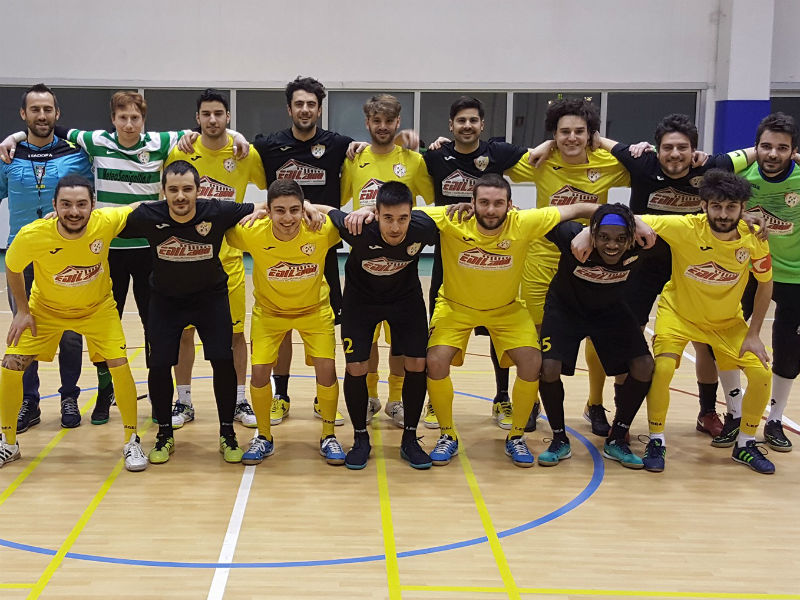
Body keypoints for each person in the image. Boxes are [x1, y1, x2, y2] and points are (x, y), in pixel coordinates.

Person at [420, 173, 603, 467]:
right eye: (484, 202)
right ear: (472, 203)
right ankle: (447, 434)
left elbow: (579, 207)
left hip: (505, 309)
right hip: (455, 307)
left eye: (498, 203)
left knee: (533, 361)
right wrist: (365, 211)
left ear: (510, 204)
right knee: (435, 360)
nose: (491, 210)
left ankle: (516, 436)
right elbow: (401, 211)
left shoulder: (524, 222)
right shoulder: (451, 217)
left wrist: (607, 225)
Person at [593, 114, 754, 439]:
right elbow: (599, 140)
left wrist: (793, 155)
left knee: (705, 342)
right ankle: (619, 414)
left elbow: (757, 152)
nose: (675, 154)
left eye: (683, 148)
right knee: (628, 337)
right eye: (668, 148)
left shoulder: (711, 167)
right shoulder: (642, 162)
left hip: (690, 267)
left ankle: (707, 412)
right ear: (657, 149)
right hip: (641, 266)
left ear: (695, 151)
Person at [117, 160, 262, 464]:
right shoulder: (149, 215)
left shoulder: (217, 211)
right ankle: (164, 435)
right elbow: (106, 221)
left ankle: (227, 433)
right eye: (173, 190)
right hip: (166, 301)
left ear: (198, 190)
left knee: (222, 361)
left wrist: (308, 208)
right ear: (163, 192)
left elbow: (263, 207)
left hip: (210, 299)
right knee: (159, 365)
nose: (180, 196)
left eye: (187, 189)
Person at [0, 175, 146, 471]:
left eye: (81, 204)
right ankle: (8, 443)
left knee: (119, 364)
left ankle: (132, 441)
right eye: (66, 204)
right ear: (54, 205)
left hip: (97, 309)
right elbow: (13, 267)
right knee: (10, 365)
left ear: (93, 205)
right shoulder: (33, 235)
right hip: (46, 310)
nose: (74, 211)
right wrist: (22, 311)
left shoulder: (105, 221)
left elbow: (139, 206)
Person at [639, 170, 775, 474]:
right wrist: (589, 228)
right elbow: (630, 218)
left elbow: (766, 284)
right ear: (703, 206)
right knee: (662, 369)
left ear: (743, 208)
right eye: (716, 206)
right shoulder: (685, 227)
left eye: (731, 207)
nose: (723, 214)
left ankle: (745, 444)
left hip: (726, 321)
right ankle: (657, 439)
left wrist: (754, 334)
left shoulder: (754, 238)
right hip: (678, 314)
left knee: (761, 373)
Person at [511, 98, 630, 437]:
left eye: (580, 131)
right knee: (536, 335)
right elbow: (489, 159)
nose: (572, 137)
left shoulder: (609, 162)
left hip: (591, 263)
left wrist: (606, 143)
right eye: (564, 132)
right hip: (542, 260)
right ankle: (531, 401)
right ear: (554, 134)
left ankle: (595, 403)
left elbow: (647, 163)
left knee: (596, 334)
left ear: (591, 134)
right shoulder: (541, 160)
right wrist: (544, 146)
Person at [423, 95, 532, 431]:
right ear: (450, 125)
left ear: (482, 125)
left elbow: (542, 155)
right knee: (440, 330)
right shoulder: (437, 155)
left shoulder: (496, 153)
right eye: (461, 121)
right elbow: (400, 162)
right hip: (452, 250)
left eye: (473, 120)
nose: (467, 126)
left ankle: (502, 396)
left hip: (494, 248)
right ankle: (434, 400)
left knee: (500, 332)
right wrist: (409, 139)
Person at [315, 181, 440, 469]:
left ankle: (410, 438)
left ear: (412, 215)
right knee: (356, 367)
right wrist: (308, 207)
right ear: (377, 214)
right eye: (388, 218)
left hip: (405, 300)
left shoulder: (422, 227)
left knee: (417, 364)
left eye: (403, 218)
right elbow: (327, 209)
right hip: (361, 302)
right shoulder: (358, 227)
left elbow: (447, 214)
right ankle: (360, 438)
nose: (395, 227)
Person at [225, 179, 345, 466]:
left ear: (303, 209)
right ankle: (264, 436)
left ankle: (328, 435)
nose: (288, 218)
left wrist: (312, 206)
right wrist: (254, 209)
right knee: (259, 373)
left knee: (326, 369)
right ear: (268, 210)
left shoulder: (321, 229)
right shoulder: (252, 231)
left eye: (294, 209)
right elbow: (221, 222)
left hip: (314, 310)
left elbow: (343, 216)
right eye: (279, 210)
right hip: (270, 313)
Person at [165, 89, 266, 430]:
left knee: (236, 335)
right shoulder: (182, 150)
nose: (212, 119)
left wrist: (240, 138)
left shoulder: (243, 153)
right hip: (185, 259)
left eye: (218, 113)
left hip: (228, 260)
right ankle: (184, 401)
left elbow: (270, 180)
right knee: (184, 335)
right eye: (206, 114)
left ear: (228, 117)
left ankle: (239, 399)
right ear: (197, 118)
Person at [0, 83, 98, 432]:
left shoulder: (77, 155)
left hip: (66, 257)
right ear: (23, 114)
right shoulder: (8, 157)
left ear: (57, 114)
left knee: (70, 332)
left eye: (47, 109)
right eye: (35, 109)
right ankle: (30, 401)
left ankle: (69, 396)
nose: (41, 115)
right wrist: (11, 140)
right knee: (25, 327)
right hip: (22, 259)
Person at [340, 94, 434, 429]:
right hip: (364, 264)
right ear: (367, 123)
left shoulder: (413, 160)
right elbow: (340, 200)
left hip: (401, 266)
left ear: (398, 122)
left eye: (389, 121)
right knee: (367, 341)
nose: (382, 127)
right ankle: (369, 396)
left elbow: (432, 202)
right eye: (376, 121)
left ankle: (396, 399)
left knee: (399, 343)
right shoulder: (354, 158)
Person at [536, 204, 653, 469]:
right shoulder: (571, 235)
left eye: (620, 238)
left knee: (644, 365)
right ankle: (559, 439)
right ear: (593, 235)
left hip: (610, 309)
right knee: (549, 367)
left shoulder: (642, 241)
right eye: (603, 237)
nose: (612, 245)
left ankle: (617, 437)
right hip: (565, 308)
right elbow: (541, 218)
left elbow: (686, 224)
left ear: (631, 236)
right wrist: (586, 229)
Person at [716, 112, 800, 452]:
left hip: (795, 275)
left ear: (793, 151)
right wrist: (743, 214)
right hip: (747, 271)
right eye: (766, 146)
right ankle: (734, 413)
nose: (773, 154)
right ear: (755, 147)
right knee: (728, 339)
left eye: (782, 148)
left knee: (788, 349)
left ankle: (775, 419)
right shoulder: (740, 176)